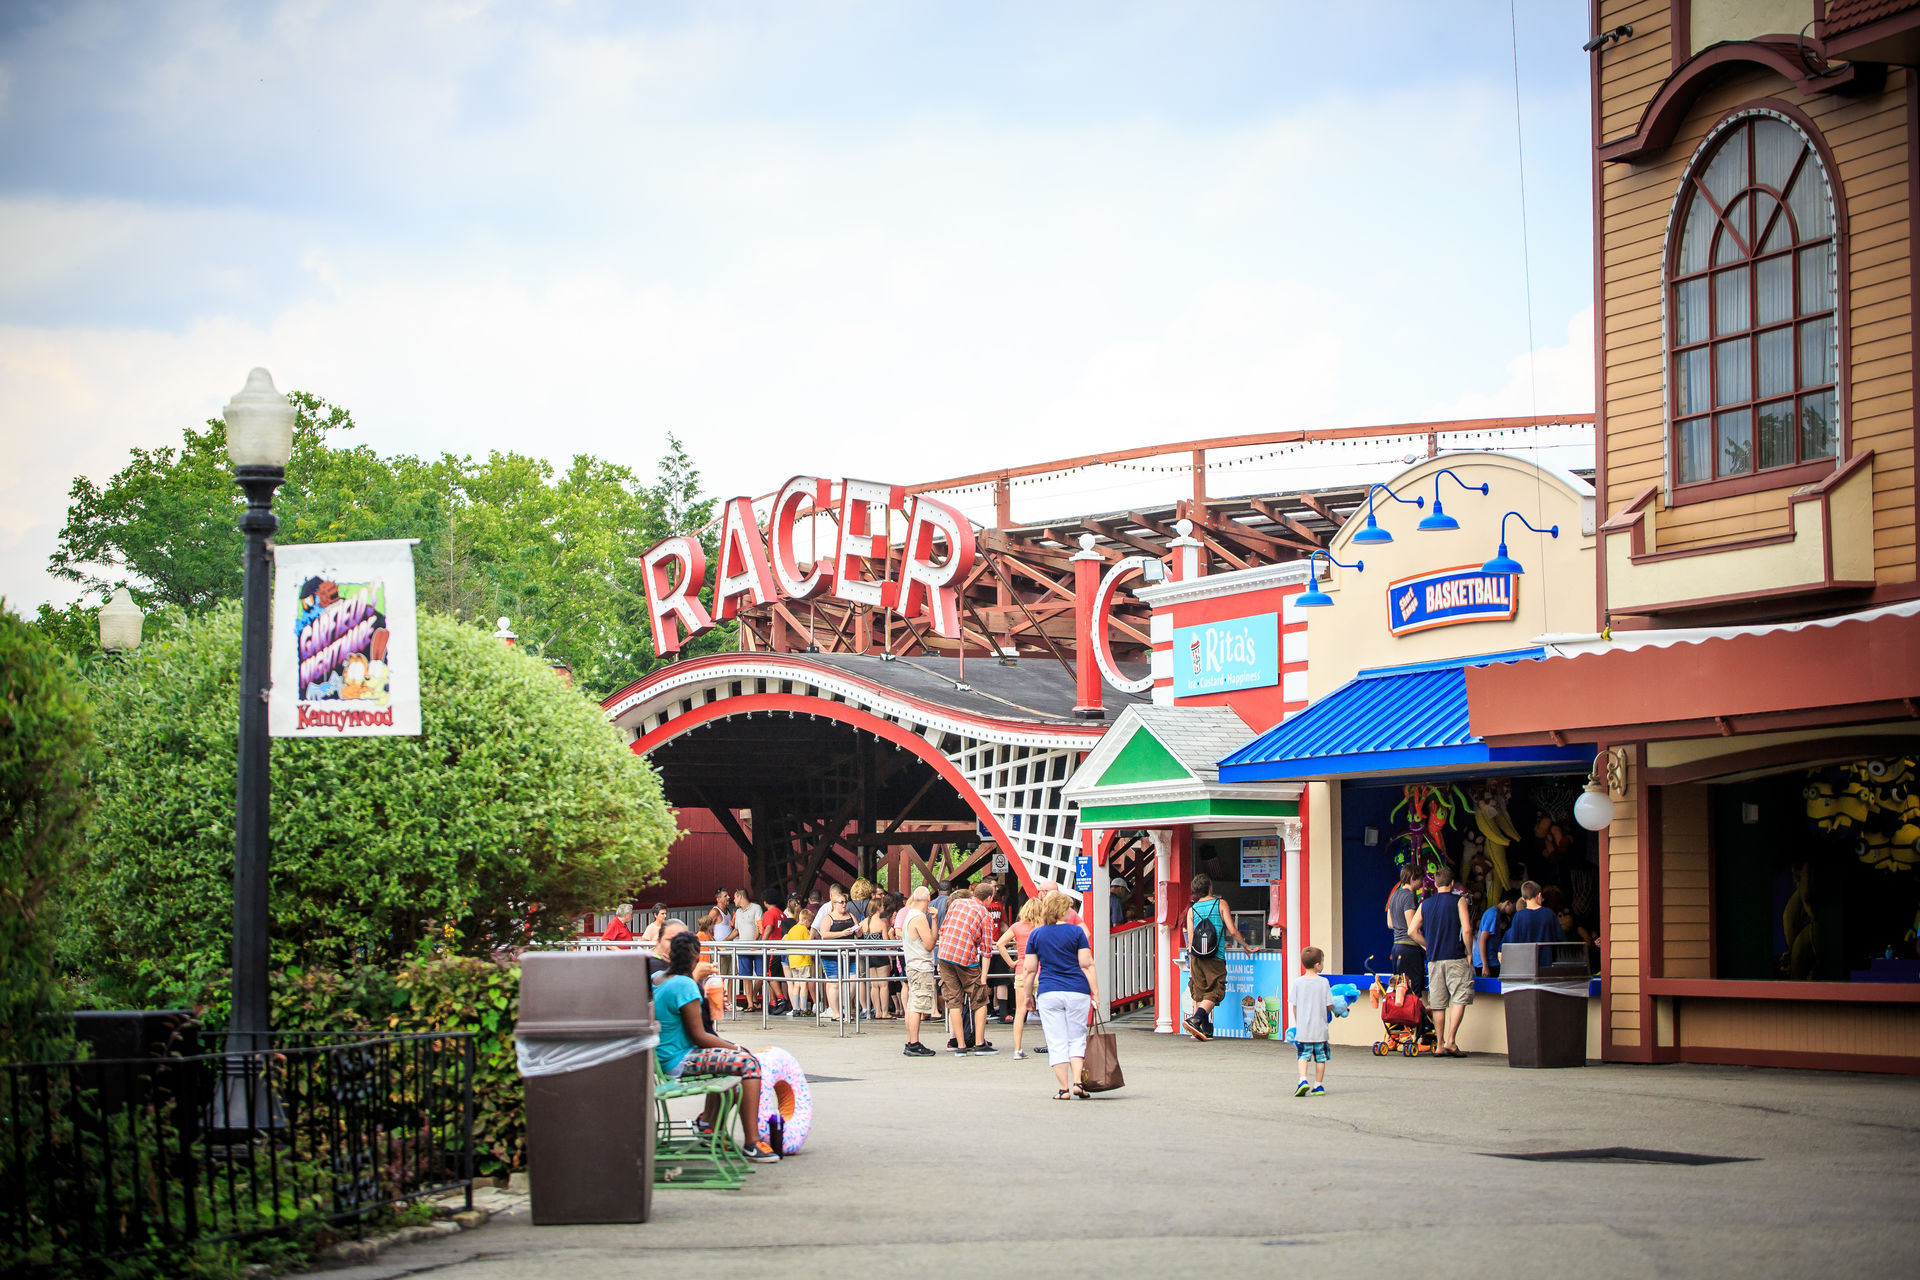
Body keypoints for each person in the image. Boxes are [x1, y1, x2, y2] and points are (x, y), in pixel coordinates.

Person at [653, 931, 780, 1163]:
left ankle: (709, 1127)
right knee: (748, 1064)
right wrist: (736, 1048)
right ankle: (752, 1143)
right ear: (696, 957)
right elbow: (699, 1036)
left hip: (665, 1058)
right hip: (680, 1060)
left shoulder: (659, 979)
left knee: (730, 1071)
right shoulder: (684, 984)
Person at [1020, 891, 1099, 1099]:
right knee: (1077, 1037)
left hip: (1049, 991)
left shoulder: (1036, 934)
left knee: (1056, 1040)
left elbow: (1029, 969)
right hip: (1077, 990)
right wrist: (1095, 992)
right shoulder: (1077, 932)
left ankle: (1063, 1089)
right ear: (1063, 910)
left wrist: (1028, 995)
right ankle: (1078, 1082)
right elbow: (1087, 964)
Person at [1406, 866, 1475, 1056]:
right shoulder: (1459, 901)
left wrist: (1427, 945)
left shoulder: (1425, 904)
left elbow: (1412, 931)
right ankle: (1451, 1041)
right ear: (1452, 884)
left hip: (1434, 959)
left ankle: (1439, 1044)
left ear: (1435, 884)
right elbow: (1467, 929)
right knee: (1459, 997)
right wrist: (1470, 952)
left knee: (1438, 1003)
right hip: (1456, 957)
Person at [1182, 872, 1250, 1041]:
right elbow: (1232, 931)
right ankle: (1196, 1019)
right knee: (1215, 991)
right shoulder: (1220, 904)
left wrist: (1191, 960)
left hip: (1196, 956)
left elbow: (1191, 938)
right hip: (1215, 956)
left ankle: (1203, 1029)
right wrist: (1245, 946)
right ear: (1210, 887)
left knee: (1200, 991)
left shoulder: (1192, 910)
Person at [936, 883, 997, 1055]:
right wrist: (983, 978)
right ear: (989, 898)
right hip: (965, 958)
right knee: (980, 999)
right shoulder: (985, 914)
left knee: (954, 1001)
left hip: (945, 956)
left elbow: (943, 930)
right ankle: (979, 1043)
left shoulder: (956, 903)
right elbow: (986, 950)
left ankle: (960, 1045)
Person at [994, 897, 1045, 1059]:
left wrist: (1011, 962)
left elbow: (1000, 944)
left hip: (1022, 970)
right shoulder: (1044, 926)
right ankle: (1054, 1046)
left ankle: (1017, 1049)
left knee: (1020, 1011)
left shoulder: (1017, 927)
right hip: (1043, 971)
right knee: (1048, 1011)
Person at [900, 887, 940, 1057]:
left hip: (912, 963)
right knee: (917, 1005)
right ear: (928, 900)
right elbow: (930, 944)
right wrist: (934, 921)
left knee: (912, 1004)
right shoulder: (919, 918)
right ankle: (914, 1043)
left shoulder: (909, 914)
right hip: (920, 965)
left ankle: (911, 1040)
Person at [1290, 945, 1333, 1096]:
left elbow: (1294, 1005)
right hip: (1320, 1030)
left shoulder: (1297, 982)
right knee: (1320, 1059)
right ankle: (1318, 1085)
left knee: (1303, 1056)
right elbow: (1329, 1005)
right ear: (1317, 965)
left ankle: (1303, 1080)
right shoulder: (1324, 982)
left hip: (1304, 1030)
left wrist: (1298, 1023)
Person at [816, 884, 859, 1023]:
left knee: (852, 980)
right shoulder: (828, 917)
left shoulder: (850, 915)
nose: (844, 904)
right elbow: (824, 934)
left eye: (845, 902)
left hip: (849, 954)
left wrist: (858, 931)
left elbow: (858, 930)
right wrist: (842, 934)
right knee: (834, 982)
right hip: (831, 954)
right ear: (834, 904)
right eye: (841, 902)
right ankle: (836, 1012)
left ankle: (845, 1006)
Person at [1500, 880, 1565, 968]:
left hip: (1525, 966)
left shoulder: (1518, 916)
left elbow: (1512, 940)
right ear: (1539, 895)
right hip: (1546, 965)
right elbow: (1560, 939)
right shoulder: (1550, 914)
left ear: (1523, 899)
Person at [1386, 865, 1426, 995]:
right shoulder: (1409, 896)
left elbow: (1390, 924)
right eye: (1420, 879)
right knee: (1413, 992)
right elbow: (1412, 927)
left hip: (1396, 946)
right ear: (1413, 878)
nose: (1422, 883)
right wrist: (1426, 946)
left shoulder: (1394, 895)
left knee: (1400, 989)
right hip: (1410, 948)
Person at [862, 892, 898, 1019]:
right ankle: (884, 1012)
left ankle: (877, 1011)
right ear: (878, 907)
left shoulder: (864, 923)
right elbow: (886, 943)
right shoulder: (881, 923)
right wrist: (890, 956)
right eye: (882, 905)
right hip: (881, 956)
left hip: (869, 956)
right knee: (883, 985)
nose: (883, 907)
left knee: (874, 986)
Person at [732, 889, 764, 1011]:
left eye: (735, 897)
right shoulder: (738, 912)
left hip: (756, 947)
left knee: (761, 974)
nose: (733, 900)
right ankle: (750, 1003)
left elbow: (759, 927)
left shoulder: (756, 908)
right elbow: (736, 930)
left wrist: (754, 942)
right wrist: (724, 940)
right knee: (746, 976)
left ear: (740, 897)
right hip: (743, 947)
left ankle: (754, 995)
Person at [781, 902, 813, 1016]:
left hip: (793, 961)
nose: (809, 925)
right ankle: (804, 1008)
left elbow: (785, 941)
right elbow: (809, 942)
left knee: (796, 984)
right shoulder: (804, 929)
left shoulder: (792, 929)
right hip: (803, 960)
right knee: (803, 984)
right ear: (806, 921)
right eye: (810, 923)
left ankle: (796, 1008)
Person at [1476, 890, 1519, 977]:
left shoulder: (1496, 913)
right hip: (1487, 961)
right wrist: (1485, 965)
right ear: (1507, 903)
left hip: (1490, 959)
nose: (1514, 910)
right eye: (1514, 907)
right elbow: (1482, 940)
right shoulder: (1493, 914)